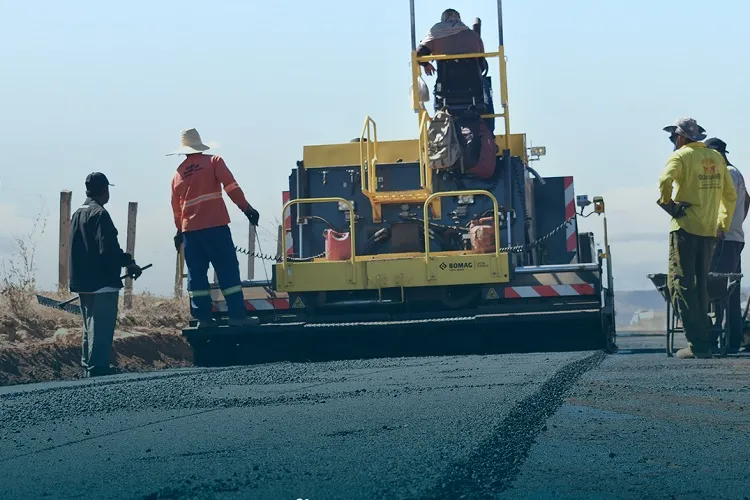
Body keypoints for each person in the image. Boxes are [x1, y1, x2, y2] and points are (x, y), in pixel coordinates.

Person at [658, 118, 737, 359]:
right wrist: (722, 224)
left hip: (684, 228)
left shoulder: (680, 157)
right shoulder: (716, 158)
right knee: (701, 286)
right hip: (708, 231)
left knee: (680, 285)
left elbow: (665, 181)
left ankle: (699, 345)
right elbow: (730, 196)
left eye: (674, 137)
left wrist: (667, 202)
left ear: (681, 137)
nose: (674, 142)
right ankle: (704, 339)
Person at [168, 128, 260, 328]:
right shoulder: (213, 162)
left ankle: (203, 319)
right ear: (199, 145)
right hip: (215, 227)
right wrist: (247, 209)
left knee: (196, 275)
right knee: (227, 269)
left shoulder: (177, 175)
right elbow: (231, 188)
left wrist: (179, 232)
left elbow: (176, 209)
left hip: (190, 232)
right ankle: (237, 316)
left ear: (184, 149)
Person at [69, 172, 143, 377]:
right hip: (102, 282)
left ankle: (88, 367)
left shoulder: (77, 214)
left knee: (88, 329)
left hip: (82, 281)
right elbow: (108, 249)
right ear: (104, 190)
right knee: (101, 330)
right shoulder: (100, 214)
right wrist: (129, 263)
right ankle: (98, 369)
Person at [706, 137, 749, 353]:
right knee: (729, 292)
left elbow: (726, 202)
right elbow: (747, 200)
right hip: (734, 238)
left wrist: (724, 228)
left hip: (725, 239)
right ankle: (731, 341)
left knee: (719, 290)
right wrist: (738, 224)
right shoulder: (736, 172)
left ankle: (714, 340)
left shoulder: (728, 173)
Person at [416, 8, 488, 112]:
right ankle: (489, 121)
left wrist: (426, 64)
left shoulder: (436, 33)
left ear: (443, 20)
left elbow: (418, 53)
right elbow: (482, 65)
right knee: (485, 83)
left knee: (438, 90)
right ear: (459, 19)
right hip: (473, 90)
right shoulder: (473, 36)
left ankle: (439, 114)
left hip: (446, 92)